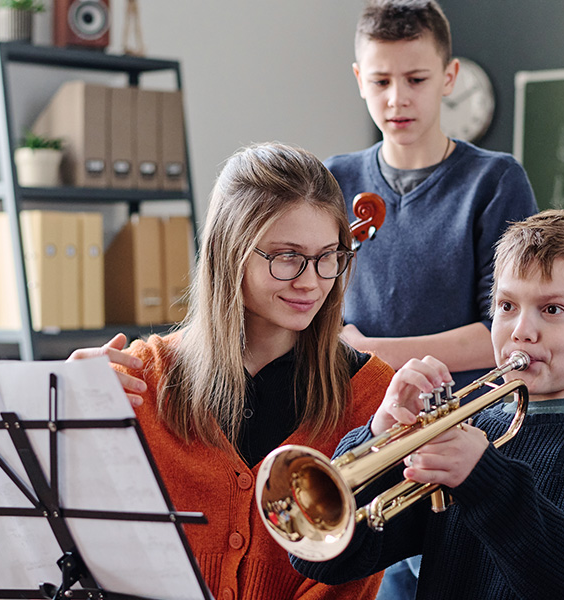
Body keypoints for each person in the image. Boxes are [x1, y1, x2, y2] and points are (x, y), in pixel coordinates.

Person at [292, 208, 564, 600]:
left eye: (552, 310)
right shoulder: (470, 432)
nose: (521, 332)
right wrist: (378, 437)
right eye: (507, 307)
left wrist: (486, 480)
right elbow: (321, 561)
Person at [71, 143, 394, 600]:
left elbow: (349, 578)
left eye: (329, 256)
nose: (312, 280)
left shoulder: (373, 394)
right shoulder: (142, 375)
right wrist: (58, 417)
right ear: (229, 251)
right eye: (287, 256)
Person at [328, 3, 537, 593]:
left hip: (455, 434)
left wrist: (370, 349)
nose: (397, 99)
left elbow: (500, 334)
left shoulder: (495, 180)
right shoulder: (332, 180)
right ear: (358, 80)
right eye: (380, 81)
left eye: (416, 80)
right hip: (351, 427)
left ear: (449, 77)